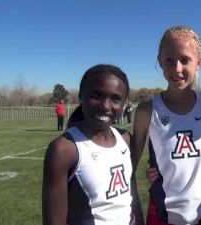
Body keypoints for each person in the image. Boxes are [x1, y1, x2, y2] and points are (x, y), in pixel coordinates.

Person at [132, 26, 201, 225]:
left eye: (185, 60)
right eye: (169, 60)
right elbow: (126, 168)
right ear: (160, 62)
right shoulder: (146, 111)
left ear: (199, 63)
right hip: (161, 216)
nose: (177, 69)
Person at [42, 64, 144, 225]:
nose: (105, 106)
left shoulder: (126, 139)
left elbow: (132, 195)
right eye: (97, 96)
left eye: (115, 99)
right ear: (81, 96)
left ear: (124, 103)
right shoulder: (64, 149)